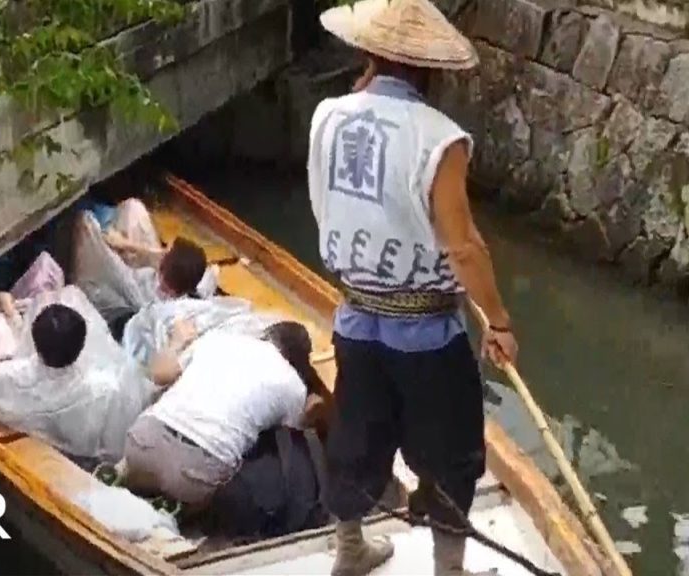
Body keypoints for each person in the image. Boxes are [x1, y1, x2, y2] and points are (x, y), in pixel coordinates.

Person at [309, 1, 519, 574]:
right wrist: (497, 322)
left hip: (355, 317)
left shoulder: (327, 114)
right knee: (451, 456)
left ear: (371, 55)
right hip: (424, 331)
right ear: (431, 70)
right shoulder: (439, 137)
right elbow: (463, 246)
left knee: (356, 438)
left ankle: (350, 551)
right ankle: (448, 570)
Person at [0, 286, 195, 463]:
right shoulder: (107, 384)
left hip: (50, 443)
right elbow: (148, 386)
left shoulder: (7, 376)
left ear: (36, 342)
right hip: (89, 452)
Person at [120, 321, 325, 510]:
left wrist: (176, 342)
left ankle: (127, 480)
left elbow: (161, 375)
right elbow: (295, 428)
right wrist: (313, 408)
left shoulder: (218, 338)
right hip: (193, 474)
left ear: (266, 334)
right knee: (237, 467)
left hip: (142, 442)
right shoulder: (293, 385)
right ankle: (182, 512)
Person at [71, 199, 218, 331]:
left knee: (85, 224)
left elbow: (118, 272)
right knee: (133, 208)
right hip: (144, 274)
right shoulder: (191, 292)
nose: (163, 251)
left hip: (119, 289)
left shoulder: (144, 296)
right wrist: (130, 245)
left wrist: (117, 244)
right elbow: (213, 272)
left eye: (166, 252)